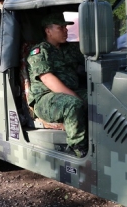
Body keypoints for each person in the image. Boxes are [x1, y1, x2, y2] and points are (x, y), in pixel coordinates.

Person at [27, 13, 88, 158]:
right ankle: (78, 149)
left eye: (66, 27)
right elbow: (48, 79)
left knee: (100, 97)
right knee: (73, 104)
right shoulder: (40, 51)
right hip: (45, 98)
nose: (66, 30)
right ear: (48, 31)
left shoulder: (69, 48)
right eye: (61, 27)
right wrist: (75, 97)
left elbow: (89, 60)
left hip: (72, 90)